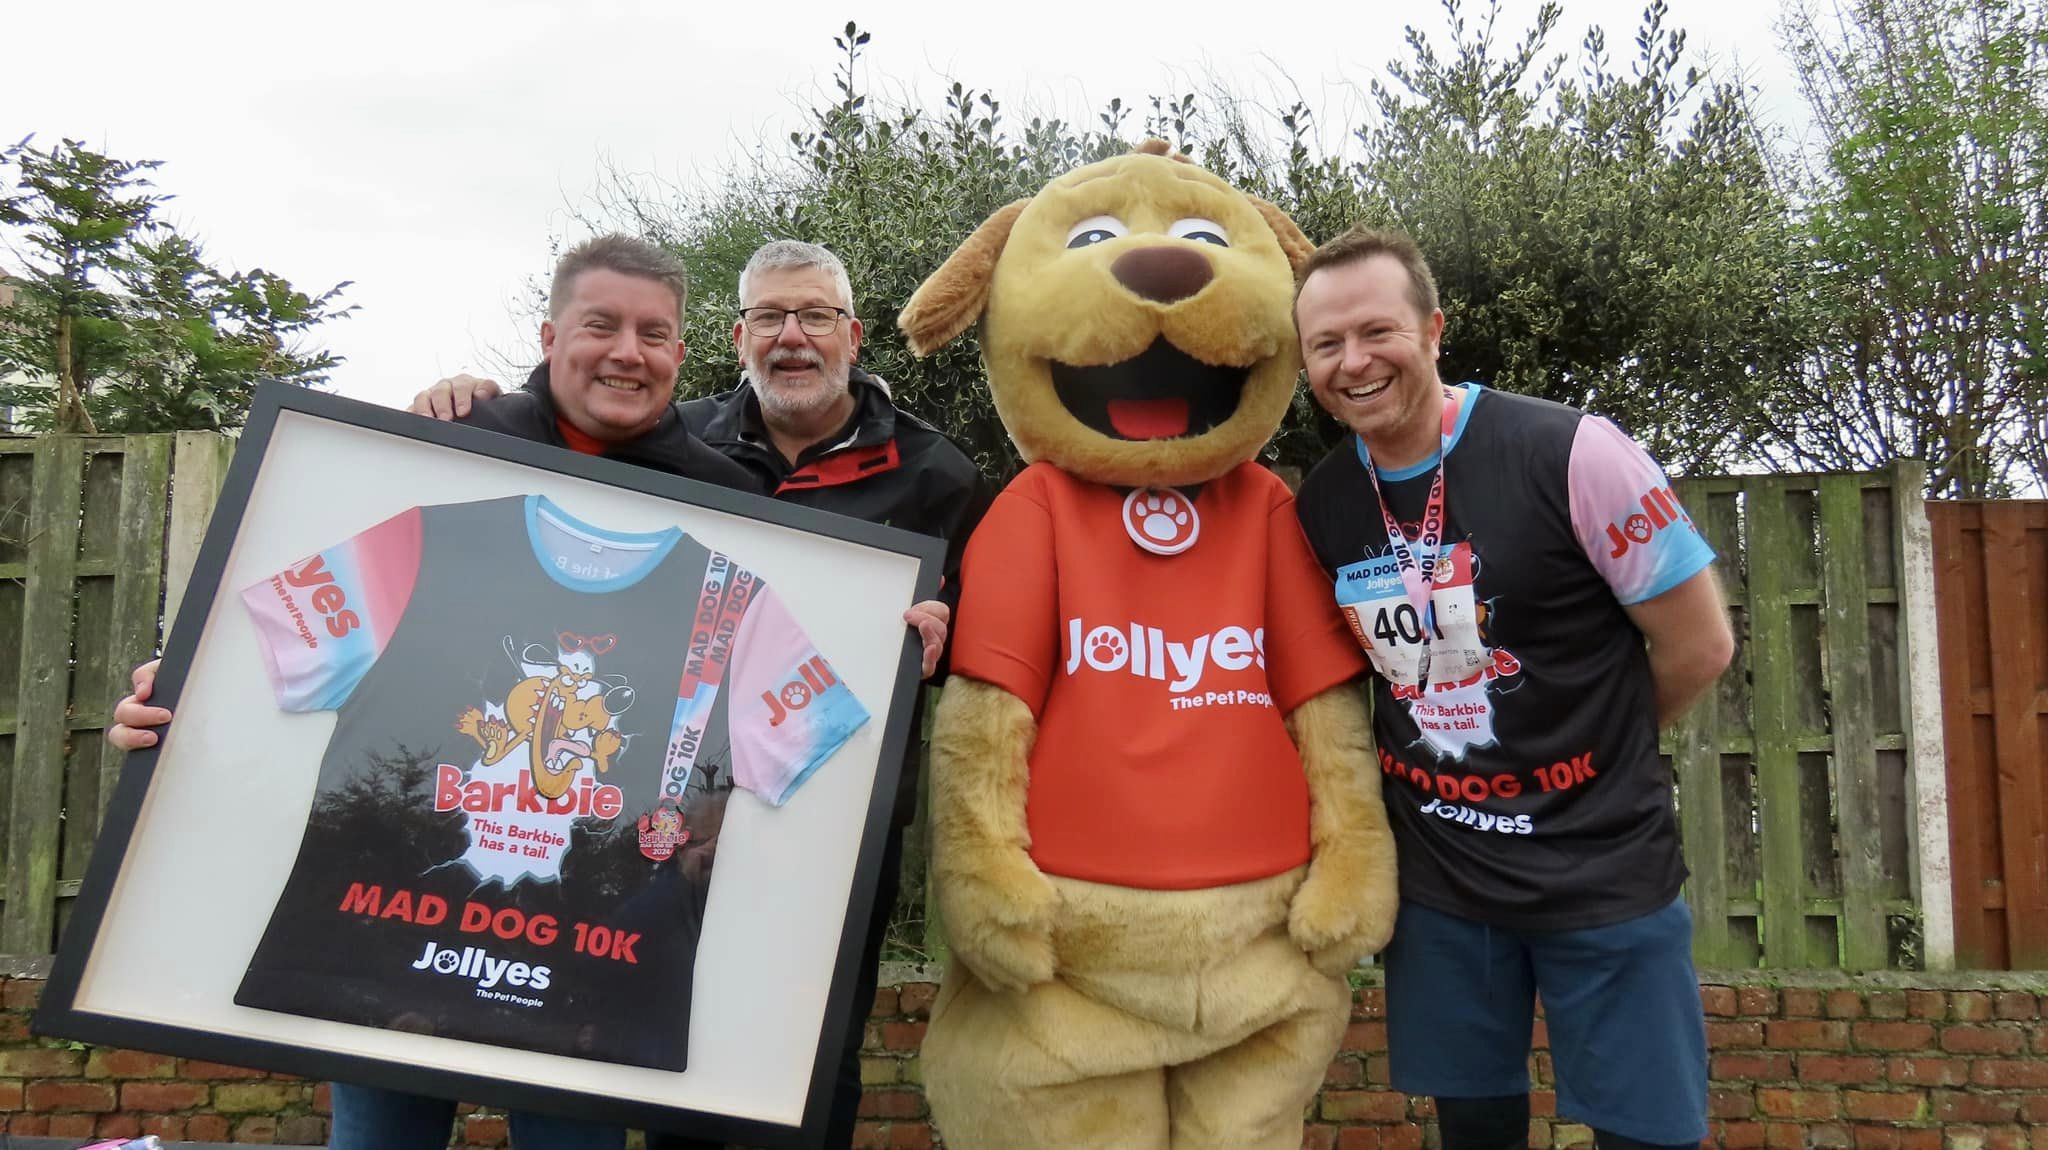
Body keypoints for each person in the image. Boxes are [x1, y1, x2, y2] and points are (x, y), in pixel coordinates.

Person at [105, 234, 948, 1149]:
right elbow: (254, 654)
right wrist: (185, 685)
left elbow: (817, 727)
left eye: (653, 333)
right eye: (601, 325)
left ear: (681, 350)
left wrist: (894, 650)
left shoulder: (731, 504)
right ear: (549, 335)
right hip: (386, 946)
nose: (628, 351)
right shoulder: (453, 454)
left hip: (590, 964)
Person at [412, 238, 990, 1150]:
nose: (792, 337)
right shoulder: (677, 446)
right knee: (664, 1011)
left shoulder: (941, 473)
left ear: (854, 335)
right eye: (769, 316)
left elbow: (978, 637)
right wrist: (465, 401)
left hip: (832, 811)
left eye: (815, 317)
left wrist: (947, 632)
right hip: (667, 802)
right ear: (735, 335)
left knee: (813, 1036)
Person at [1289, 226, 1735, 1150]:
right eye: (1326, 345)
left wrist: (1595, 755)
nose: (1354, 361)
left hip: (1602, 872)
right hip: (1445, 884)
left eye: (1379, 332)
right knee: (1475, 1128)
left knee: (1646, 1133)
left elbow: (1700, 647)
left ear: (1435, 329)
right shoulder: (1323, 504)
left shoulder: (1575, 453)